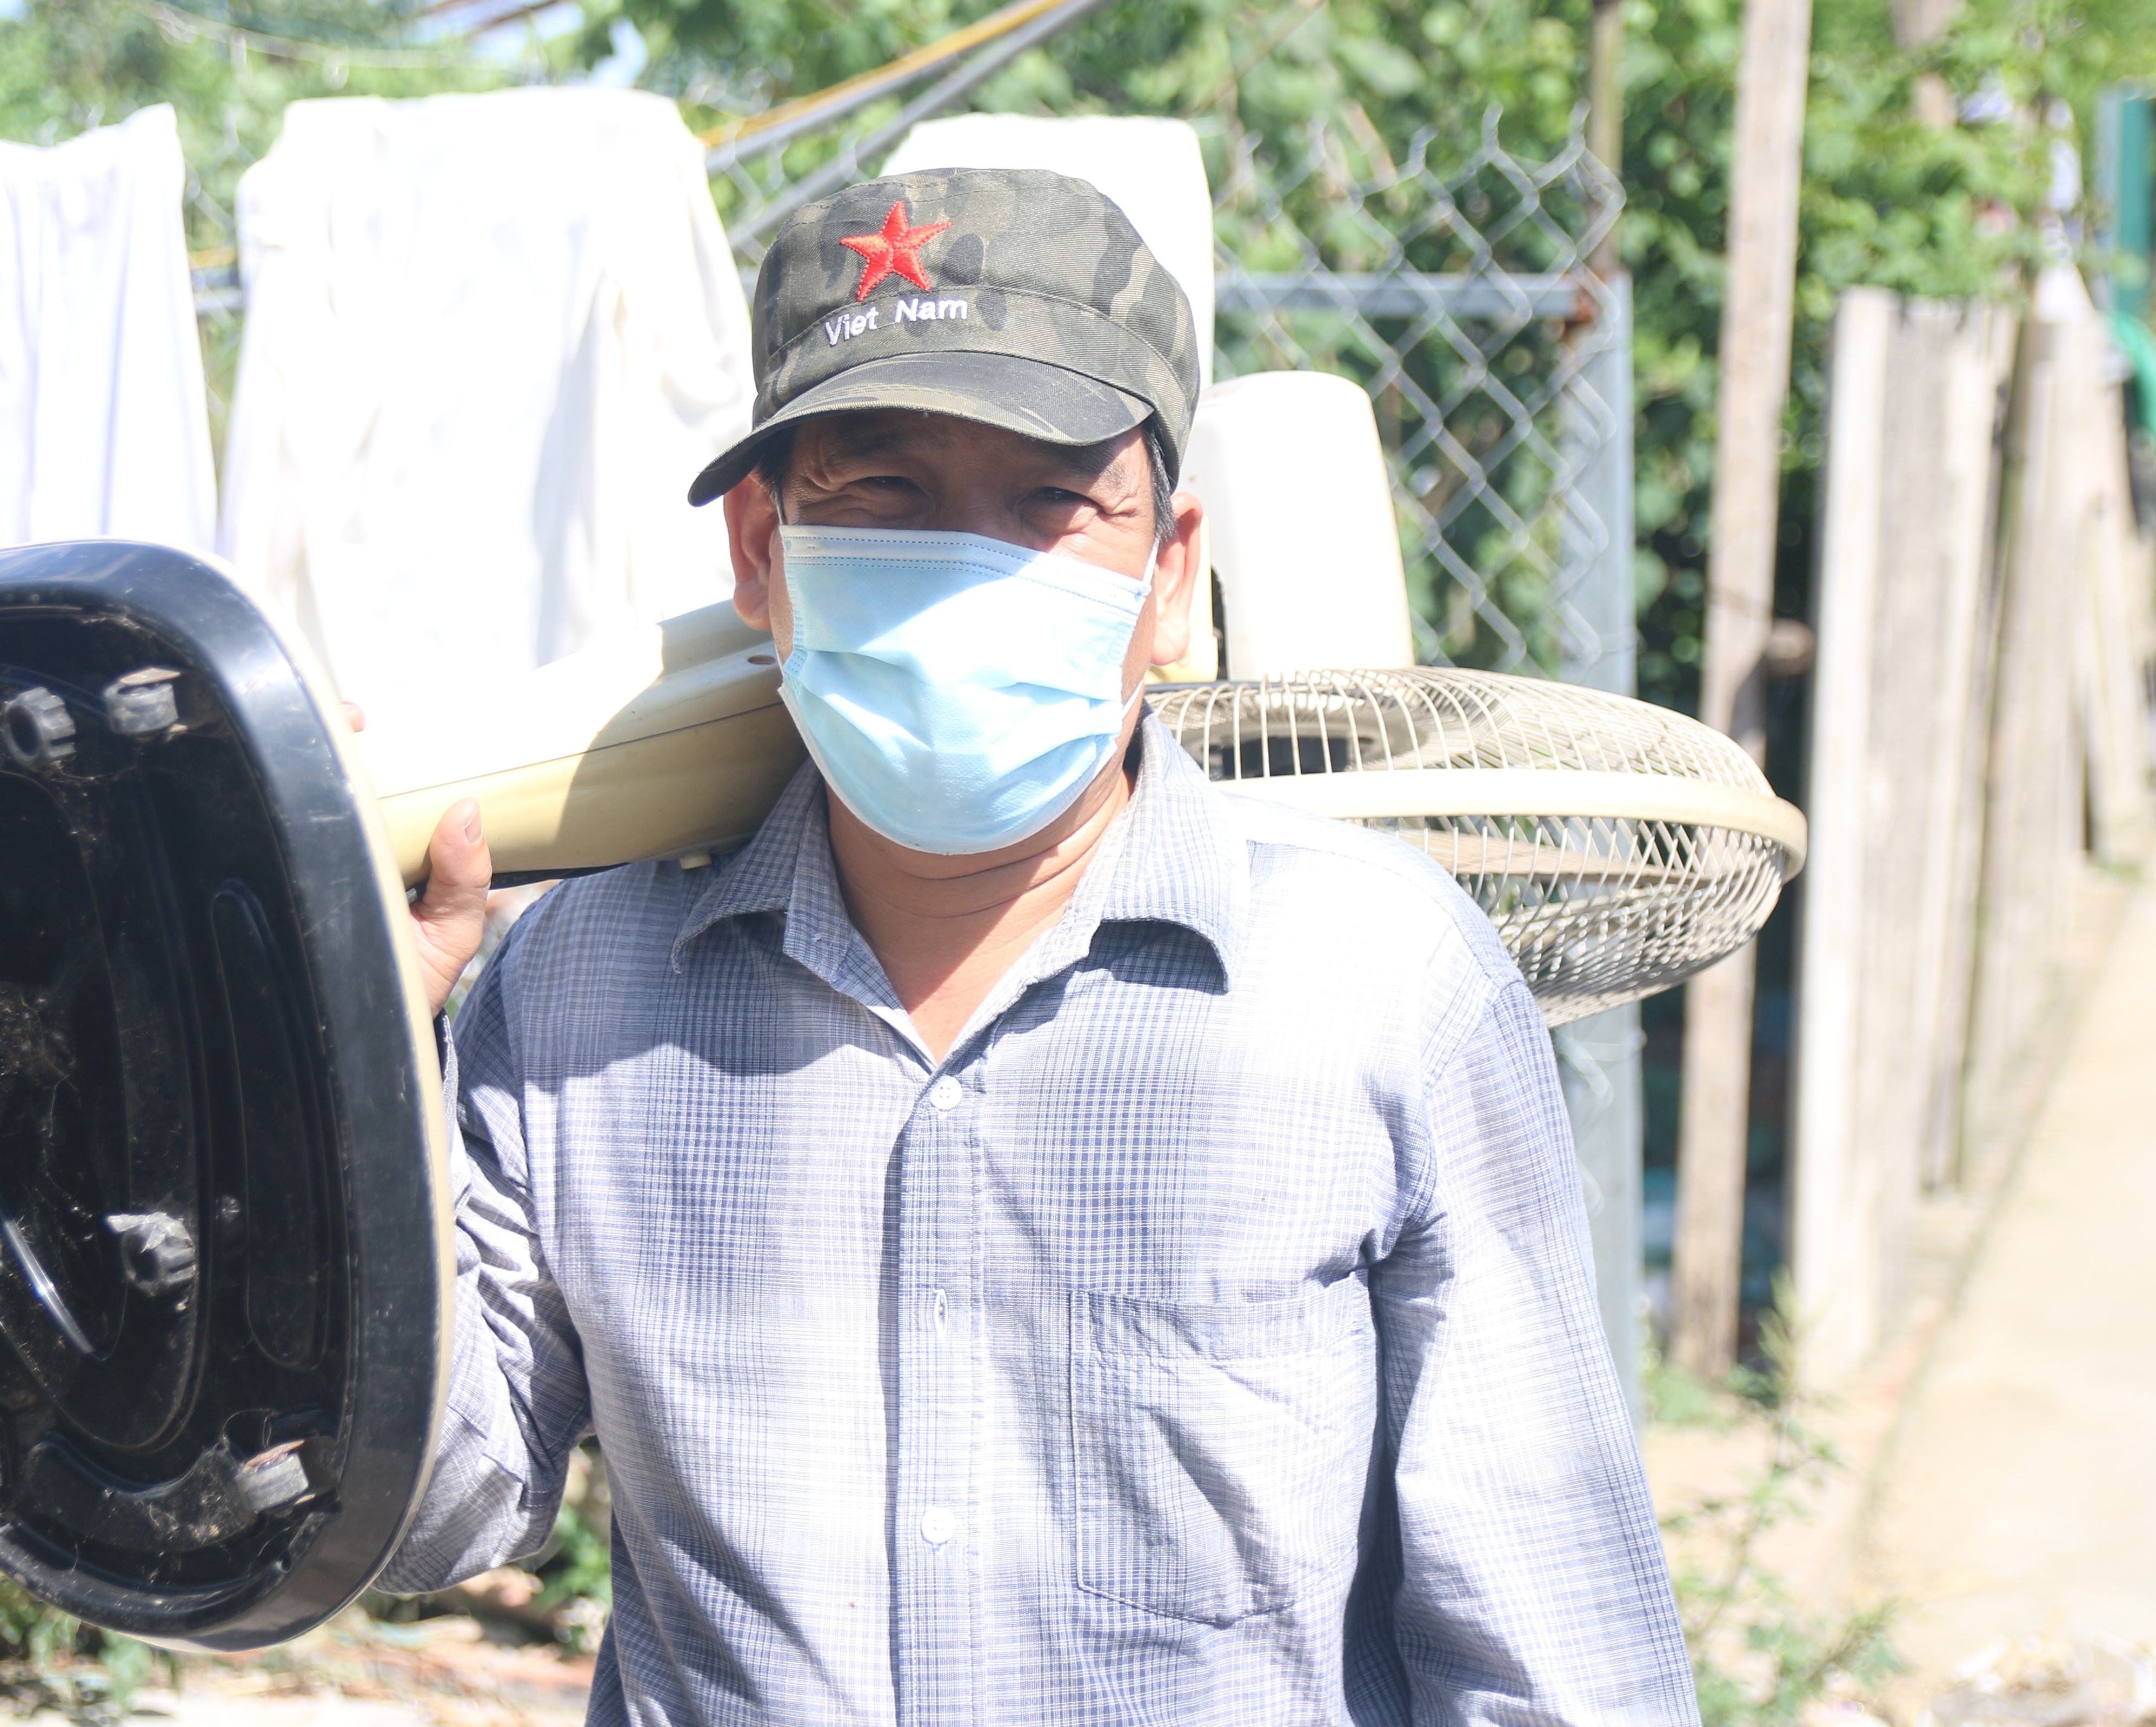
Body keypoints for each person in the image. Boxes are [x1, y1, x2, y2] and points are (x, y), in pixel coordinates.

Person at [377, 166, 1694, 1724]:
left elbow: (1550, 1652)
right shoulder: (575, 991)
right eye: (884, 496)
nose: (967, 567)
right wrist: (341, 1080)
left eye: (1050, 503)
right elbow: (436, 1514)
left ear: (1172, 568)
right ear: (759, 553)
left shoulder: (1378, 985)